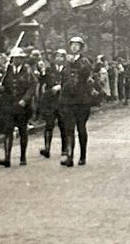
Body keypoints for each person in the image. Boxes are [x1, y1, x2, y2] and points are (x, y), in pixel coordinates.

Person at [0, 47, 37, 167]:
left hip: (23, 106)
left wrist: (25, 99)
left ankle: (23, 156)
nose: (17, 60)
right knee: (8, 130)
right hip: (9, 105)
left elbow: (33, 86)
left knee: (22, 130)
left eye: (20, 58)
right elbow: (3, 87)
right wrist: (0, 88)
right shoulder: (6, 70)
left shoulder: (28, 71)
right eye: (15, 58)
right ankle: (7, 157)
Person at [57, 36, 94, 167]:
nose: (74, 47)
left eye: (77, 45)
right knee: (69, 129)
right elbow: (62, 79)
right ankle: (69, 156)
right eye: (72, 45)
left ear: (81, 47)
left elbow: (85, 73)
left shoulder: (85, 61)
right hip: (68, 100)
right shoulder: (65, 63)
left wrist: (74, 63)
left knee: (81, 128)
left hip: (82, 100)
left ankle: (83, 155)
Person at [37, 48, 64, 158]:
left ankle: (65, 149)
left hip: (63, 101)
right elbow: (42, 80)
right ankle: (47, 148)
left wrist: (60, 86)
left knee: (64, 125)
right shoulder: (49, 70)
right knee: (49, 125)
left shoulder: (68, 69)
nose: (59, 58)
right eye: (57, 56)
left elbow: (71, 82)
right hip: (51, 101)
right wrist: (42, 71)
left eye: (61, 56)